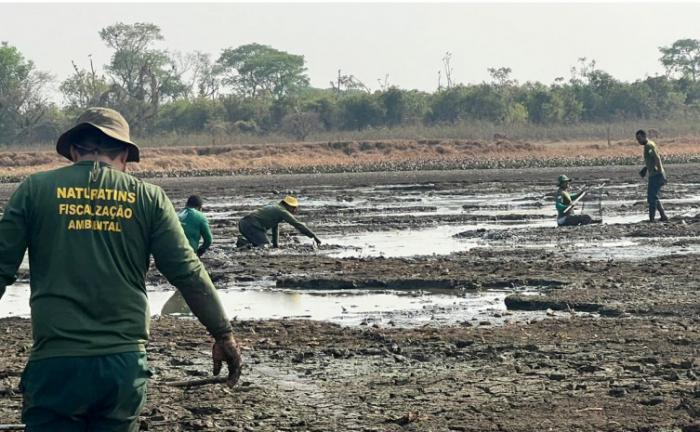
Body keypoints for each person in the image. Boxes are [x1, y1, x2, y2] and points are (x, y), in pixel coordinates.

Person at [0, 107, 242, 431]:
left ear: (73, 150)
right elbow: (187, 273)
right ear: (125, 154)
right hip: (123, 366)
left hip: (56, 363)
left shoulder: (34, 189)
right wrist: (223, 334)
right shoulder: (149, 198)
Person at [238, 196, 321, 248]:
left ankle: (243, 243)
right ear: (288, 206)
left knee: (260, 244)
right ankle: (243, 244)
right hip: (251, 225)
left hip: (244, 223)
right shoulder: (282, 211)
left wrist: (275, 246)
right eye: (294, 208)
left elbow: (275, 228)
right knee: (264, 245)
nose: (295, 210)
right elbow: (297, 224)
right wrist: (313, 235)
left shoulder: (276, 207)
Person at [636, 129, 668, 222]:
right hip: (654, 174)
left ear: (644, 136)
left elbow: (656, 157)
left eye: (639, 138)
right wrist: (646, 168)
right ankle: (663, 216)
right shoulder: (649, 145)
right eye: (637, 139)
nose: (638, 141)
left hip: (656, 175)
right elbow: (651, 159)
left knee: (651, 197)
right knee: (654, 196)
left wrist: (658, 170)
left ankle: (651, 219)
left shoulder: (649, 146)